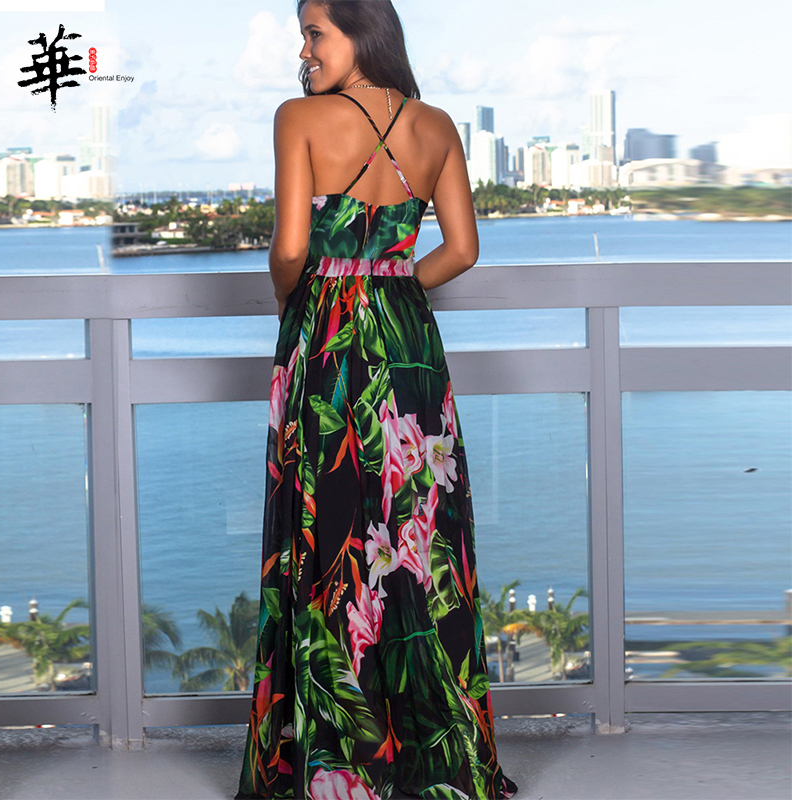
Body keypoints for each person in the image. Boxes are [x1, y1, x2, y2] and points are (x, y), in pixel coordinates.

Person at [235, 1, 519, 798]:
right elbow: (461, 249)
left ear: (361, 32)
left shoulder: (299, 118)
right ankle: (440, 757)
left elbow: (292, 248)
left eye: (314, 32)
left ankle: (336, 760)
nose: (303, 49)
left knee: (327, 534)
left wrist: (305, 301)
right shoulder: (437, 125)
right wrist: (391, 286)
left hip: (326, 338)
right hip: (407, 341)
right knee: (420, 541)